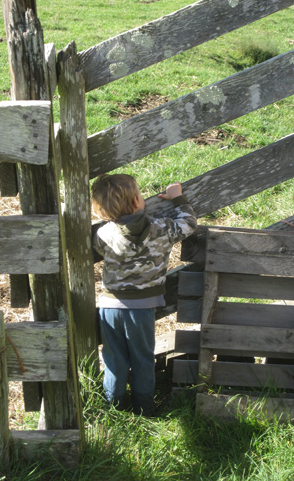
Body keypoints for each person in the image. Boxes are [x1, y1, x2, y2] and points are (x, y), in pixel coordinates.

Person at [91, 173, 197, 416]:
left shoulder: (104, 233)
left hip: (110, 306)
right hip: (142, 308)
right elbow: (189, 224)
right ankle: (144, 408)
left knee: (114, 360)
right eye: (139, 194)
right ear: (137, 202)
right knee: (142, 359)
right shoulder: (162, 228)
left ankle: (113, 407)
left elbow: (98, 247)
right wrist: (178, 198)